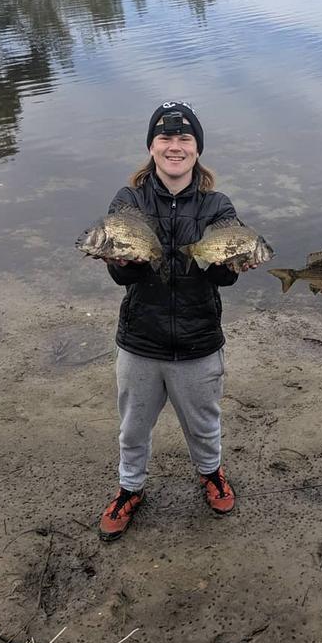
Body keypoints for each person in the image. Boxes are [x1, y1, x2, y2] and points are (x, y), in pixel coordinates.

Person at [97, 101, 253, 542]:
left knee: (205, 422)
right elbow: (120, 274)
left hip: (199, 339)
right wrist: (124, 260)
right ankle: (130, 488)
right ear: (151, 146)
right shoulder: (128, 200)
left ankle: (211, 473)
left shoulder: (217, 204)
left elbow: (223, 277)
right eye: (165, 138)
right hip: (139, 340)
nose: (175, 146)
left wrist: (232, 262)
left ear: (197, 150)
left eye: (185, 139)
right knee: (133, 426)